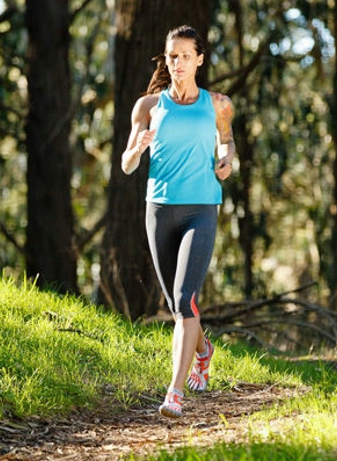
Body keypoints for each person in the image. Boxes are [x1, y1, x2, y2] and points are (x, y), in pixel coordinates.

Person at [120, 25, 235, 418]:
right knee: (176, 304)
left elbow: (226, 140)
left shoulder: (218, 103)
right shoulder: (148, 107)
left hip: (202, 207)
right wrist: (136, 150)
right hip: (159, 209)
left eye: (185, 56)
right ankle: (203, 350)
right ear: (165, 59)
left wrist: (226, 160)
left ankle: (174, 393)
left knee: (186, 300)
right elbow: (127, 164)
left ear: (199, 59)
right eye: (172, 56)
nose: (178, 63)